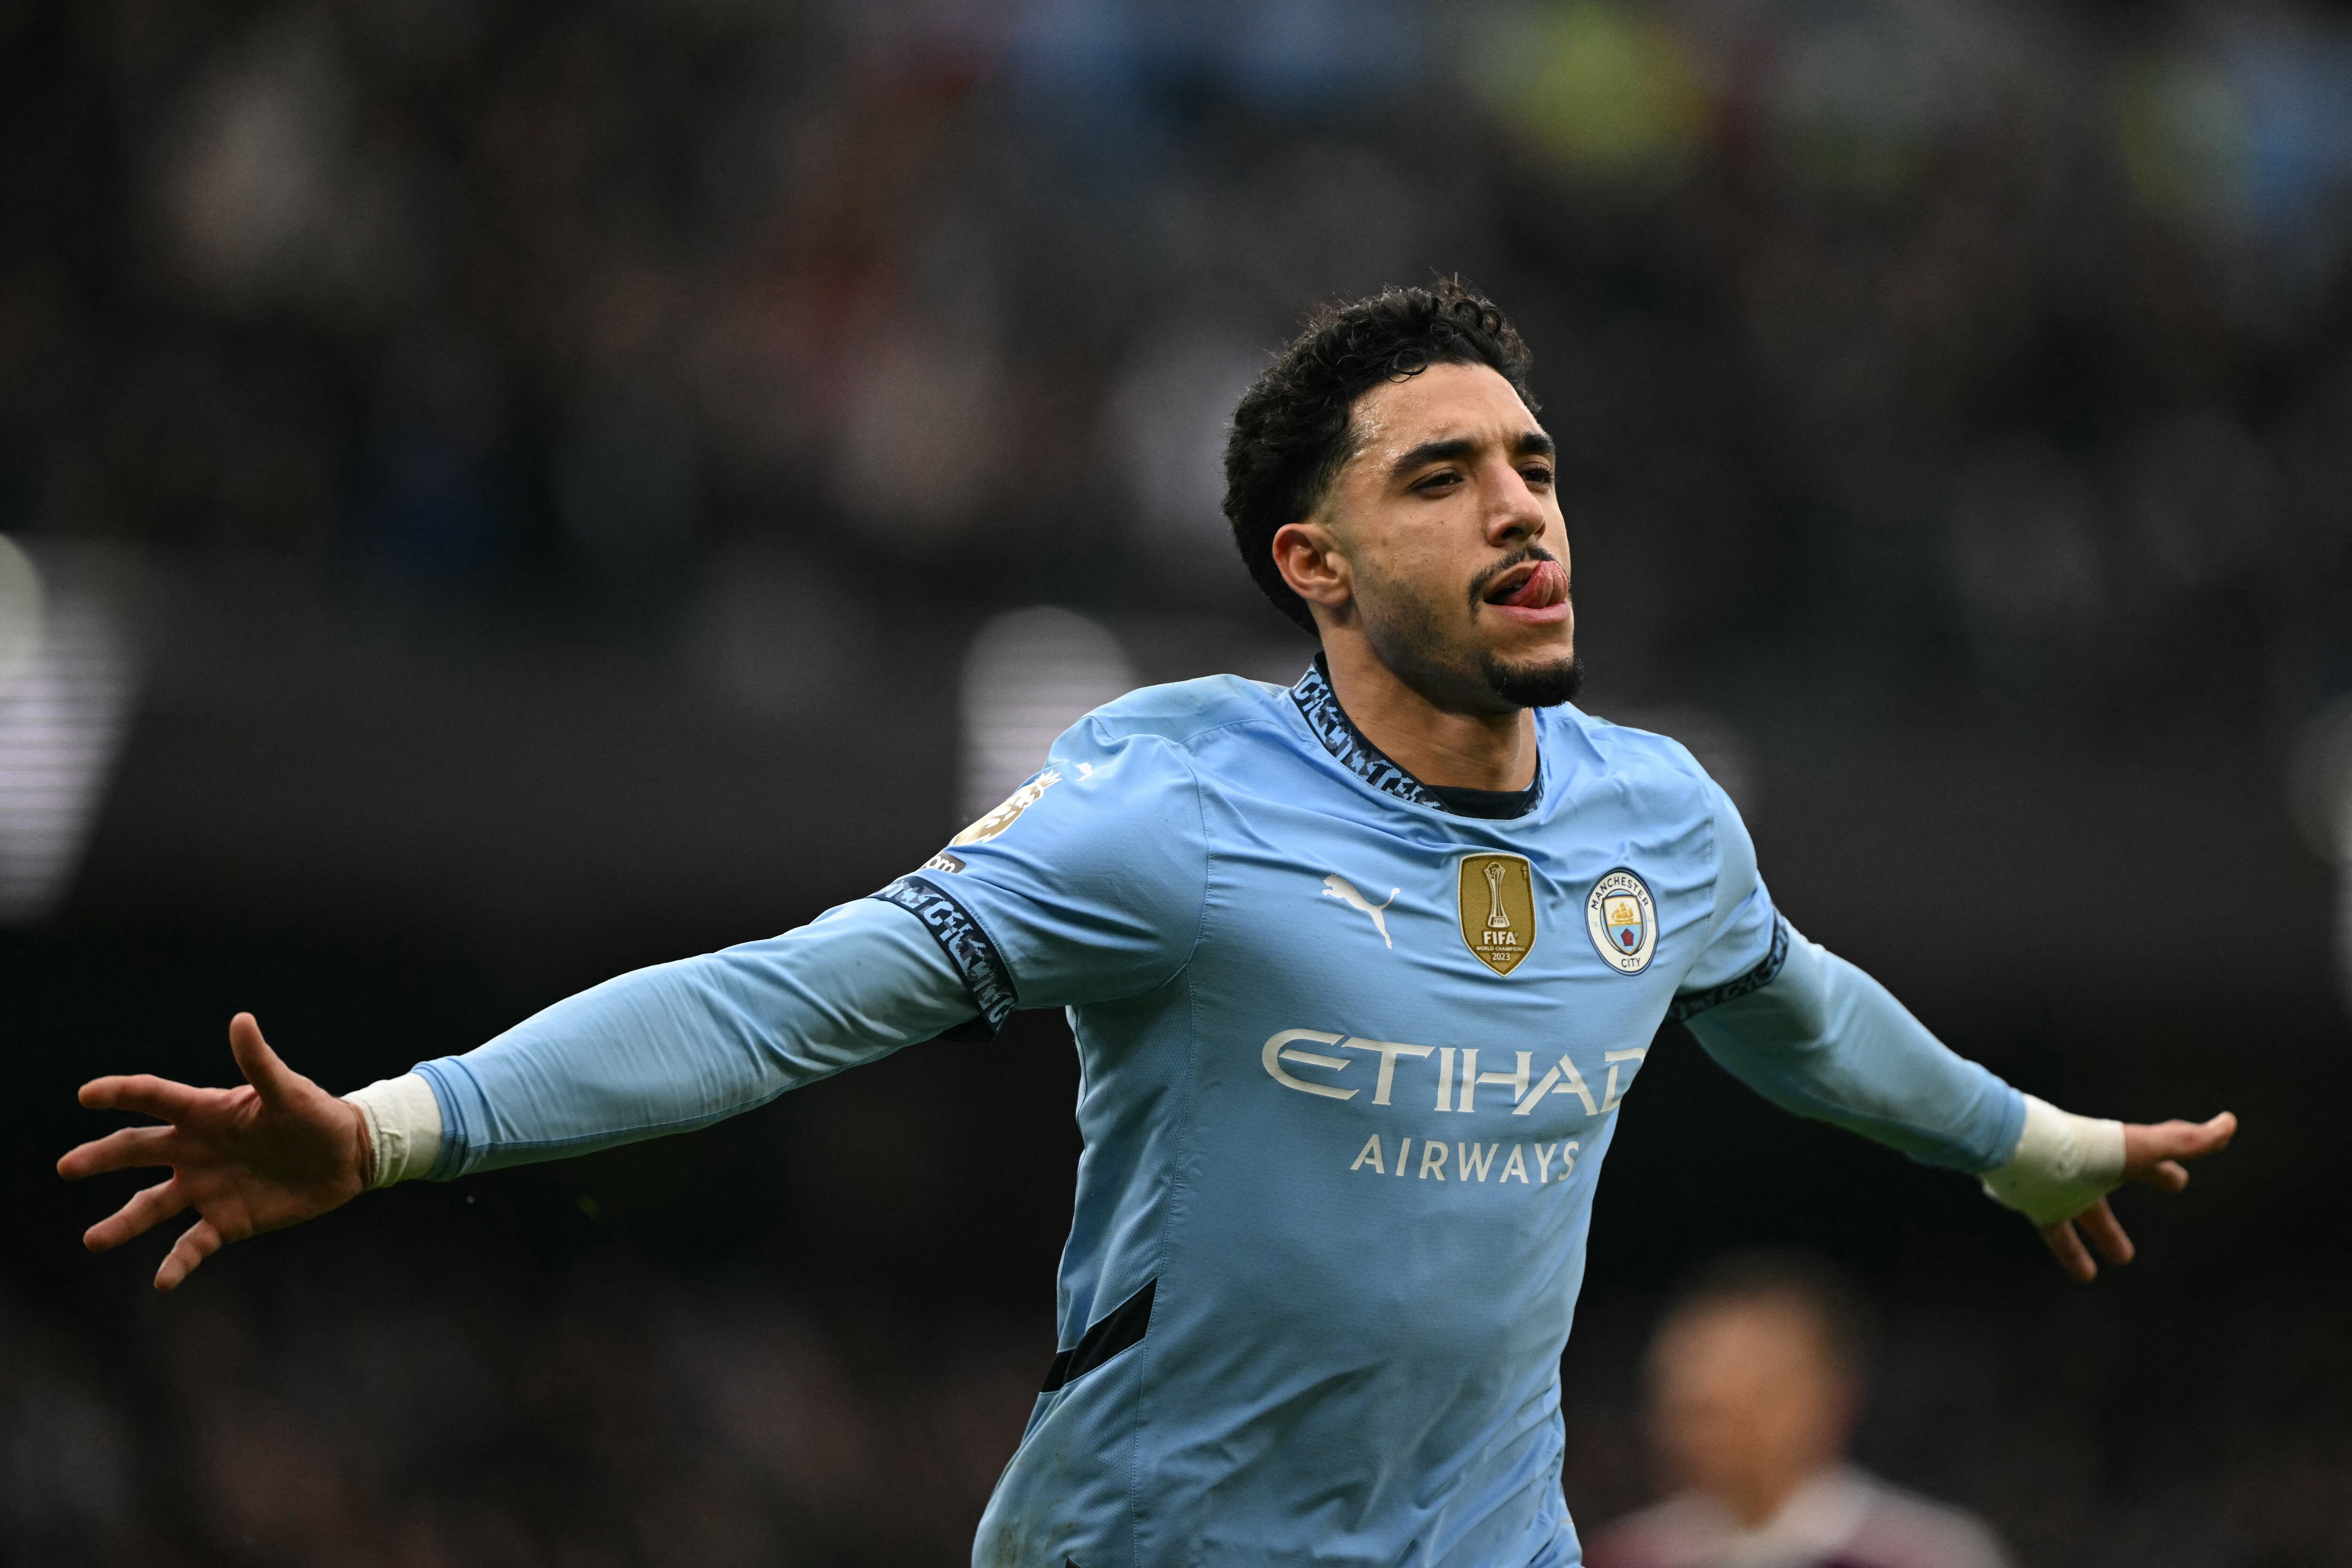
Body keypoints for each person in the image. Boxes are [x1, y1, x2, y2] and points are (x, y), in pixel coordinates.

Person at [60, 281, 2235, 1568]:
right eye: (1442, 478)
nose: (1521, 511)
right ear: (1313, 564)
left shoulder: (1658, 817)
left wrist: (2018, 1141)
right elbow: (789, 1001)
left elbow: (1788, 1010)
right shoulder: (1170, 805)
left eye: (1537, 465)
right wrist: (401, 1127)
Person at [1585, 1253, 2010, 1568]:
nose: (1702, 1430)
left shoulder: (1925, 1555)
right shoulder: (1623, 1557)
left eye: (1748, 1394)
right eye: (1690, 1405)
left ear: (1831, 1397)